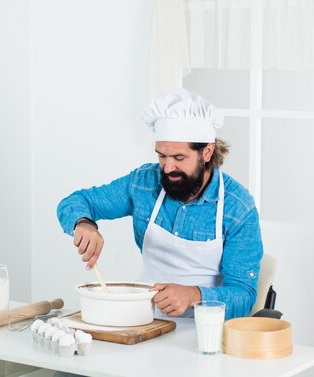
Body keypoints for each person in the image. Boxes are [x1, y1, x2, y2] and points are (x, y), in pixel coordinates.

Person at [57, 88, 263, 320]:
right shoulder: (143, 183)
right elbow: (76, 201)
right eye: (161, 156)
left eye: (178, 158)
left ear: (206, 152)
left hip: (206, 330)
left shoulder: (238, 208)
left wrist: (194, 295)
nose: (167, 168)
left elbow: (244, 295)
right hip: (144, 319)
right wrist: (83, 223)